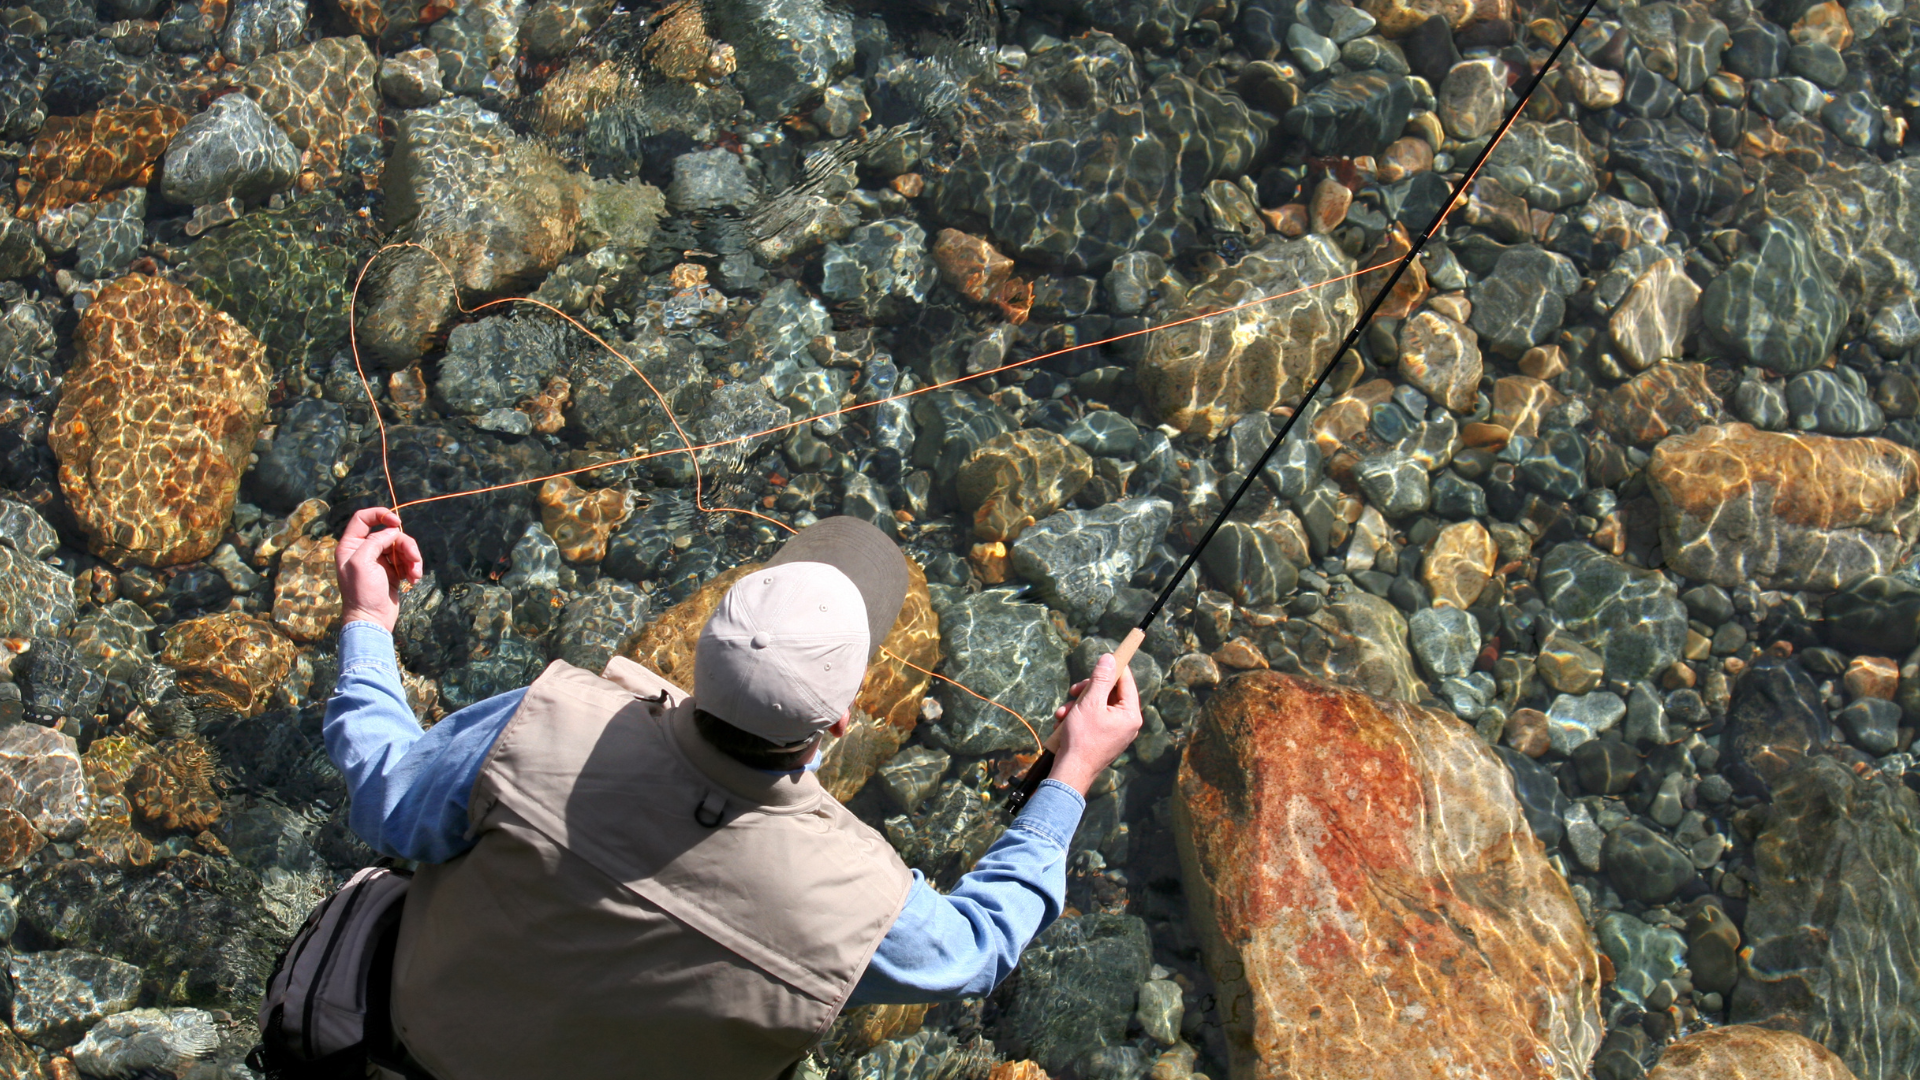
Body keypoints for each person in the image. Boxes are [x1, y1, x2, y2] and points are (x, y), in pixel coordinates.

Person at [326, 506, 1143, 1080]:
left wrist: (368, 618)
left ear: (702, 654)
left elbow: (382, 788)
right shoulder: (858, 901)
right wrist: (1072, 771)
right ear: (841, 720)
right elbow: (979, 946)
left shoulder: (542, 720)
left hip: (400, 1043)